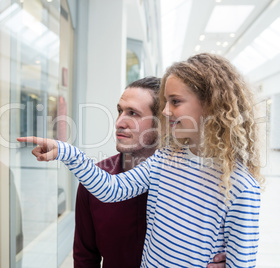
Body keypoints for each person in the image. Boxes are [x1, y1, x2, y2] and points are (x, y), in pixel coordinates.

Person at [18, 53, 263, 267]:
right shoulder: (166, 159)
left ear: (210, 104)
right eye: (166, 102)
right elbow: (111, 189)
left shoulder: (240, 187)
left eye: (175, 102)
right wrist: (66, 151)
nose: (166, 111)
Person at [75, 76, 226, 268]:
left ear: (162, 122)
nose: (120, 122)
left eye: (133, 114)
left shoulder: (193, 182)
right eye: (120, 111)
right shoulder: (95, 179)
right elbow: (85, 257)